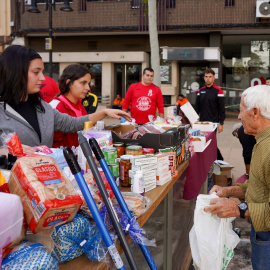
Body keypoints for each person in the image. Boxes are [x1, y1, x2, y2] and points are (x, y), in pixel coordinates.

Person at [0, 45, 131, 154]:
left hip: (45, 179)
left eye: (42, 72)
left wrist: (104, 113)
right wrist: (5, 151)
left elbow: (72, 124)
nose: (43, 78)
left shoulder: (42, 107)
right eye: (36, 72)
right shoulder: (3, 110)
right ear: (16, 72)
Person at [205, 85, 270, 270]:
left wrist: (238, 209)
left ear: (255, 112)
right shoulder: (262, 140)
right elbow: (257, 184)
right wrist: (229, 191)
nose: (239, 117)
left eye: (241, 111)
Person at [50, 64, 95, 148]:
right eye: (83, 83)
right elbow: (53, 143)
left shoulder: (79, 105)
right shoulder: (56, 106)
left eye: (88, 84)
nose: (88, 88)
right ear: (68, 82)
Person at [195, 68, 225, 160]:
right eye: (206, 77)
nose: (208, 78)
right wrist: (195, 120)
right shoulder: (201, 90)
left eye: (210, 77)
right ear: (204, 78)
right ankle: (207, 160)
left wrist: (221, 123)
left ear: (213, 78)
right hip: (202, 122)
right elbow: (197, 107)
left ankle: (219, 160)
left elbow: (221, 109)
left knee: (211, 143)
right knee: (202, 142)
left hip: (213, 123)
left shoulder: (218, 91)